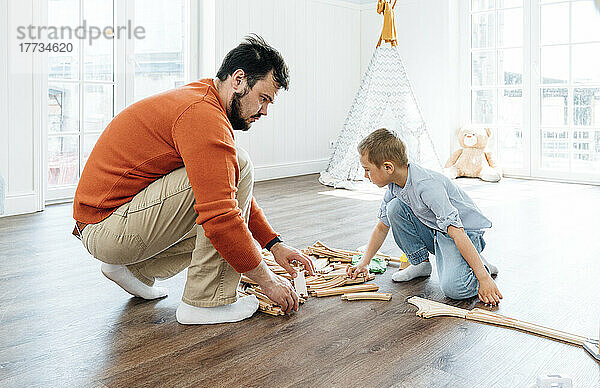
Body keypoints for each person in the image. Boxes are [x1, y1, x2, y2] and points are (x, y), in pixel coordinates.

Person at [72, 35, 314, 325]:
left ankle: (134, 269)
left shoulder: (202, 99)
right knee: (235, 176)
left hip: (105, 224)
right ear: (238, 80)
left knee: (228, 177)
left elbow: (225, 185)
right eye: (263, 98)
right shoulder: (202, 115)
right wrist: (267, 279)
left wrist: (273, 244)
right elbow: (222, 213)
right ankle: (206, 303)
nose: (264, 111)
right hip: (107, 227)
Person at [346, 128, 502, 306]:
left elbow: (457, 233)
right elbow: (382, 226)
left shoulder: (427, 186)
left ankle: (481, 268)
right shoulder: (394, 185)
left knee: (455, 290)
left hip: (463, 233)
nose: (365, 175)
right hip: (436, 229)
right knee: (394, 208)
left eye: (367, 170)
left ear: (388, 167)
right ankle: (420, 264)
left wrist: (483, 278)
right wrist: (364, 263)